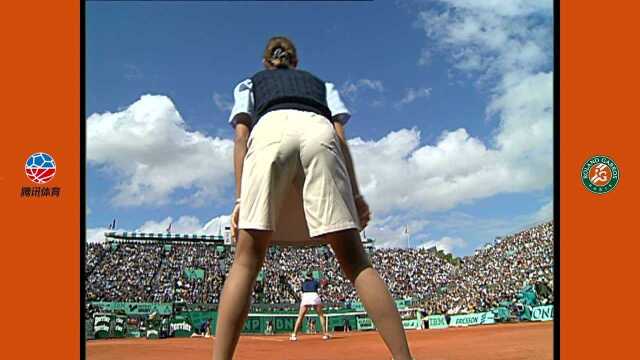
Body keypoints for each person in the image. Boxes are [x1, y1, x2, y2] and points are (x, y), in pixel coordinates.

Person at [213, 36, 413, 360]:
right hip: (319, 130)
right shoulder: (322, 86)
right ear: (296, 61)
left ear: (267, 62)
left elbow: (240, 138)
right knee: (356, 260)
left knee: (246, 261)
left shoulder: (250, 84)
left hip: (269, 130)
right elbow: (340, 138)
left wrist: (239, 200)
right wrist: (356, 194)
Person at [290, 271, 327, 340]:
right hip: (314, 296)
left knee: (300, 317)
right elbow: (321, 287)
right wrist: (324, 284)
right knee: (321, 315)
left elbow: (302, 290)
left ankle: (294, 335)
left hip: (306, 297)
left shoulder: (303, 283)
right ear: (312, 276)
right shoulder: (315, 282)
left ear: (306, 276)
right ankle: (325, 334)